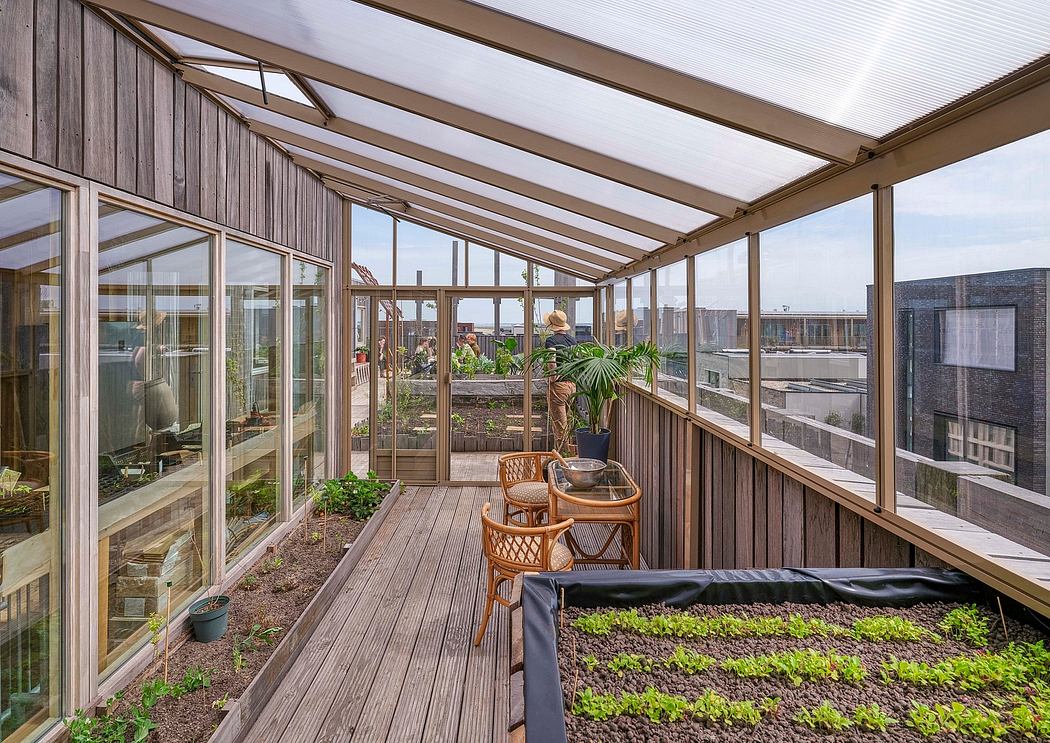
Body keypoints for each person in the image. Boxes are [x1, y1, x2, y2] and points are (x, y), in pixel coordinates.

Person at [543, 309, 577, 452]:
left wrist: (553, 377)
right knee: (567, 422)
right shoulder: (572, 340)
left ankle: (563, 459)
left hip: (559, 386)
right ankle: (565, 454)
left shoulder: (551, 340)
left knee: (559, 426)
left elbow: (552, 361)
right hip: (572, 386)